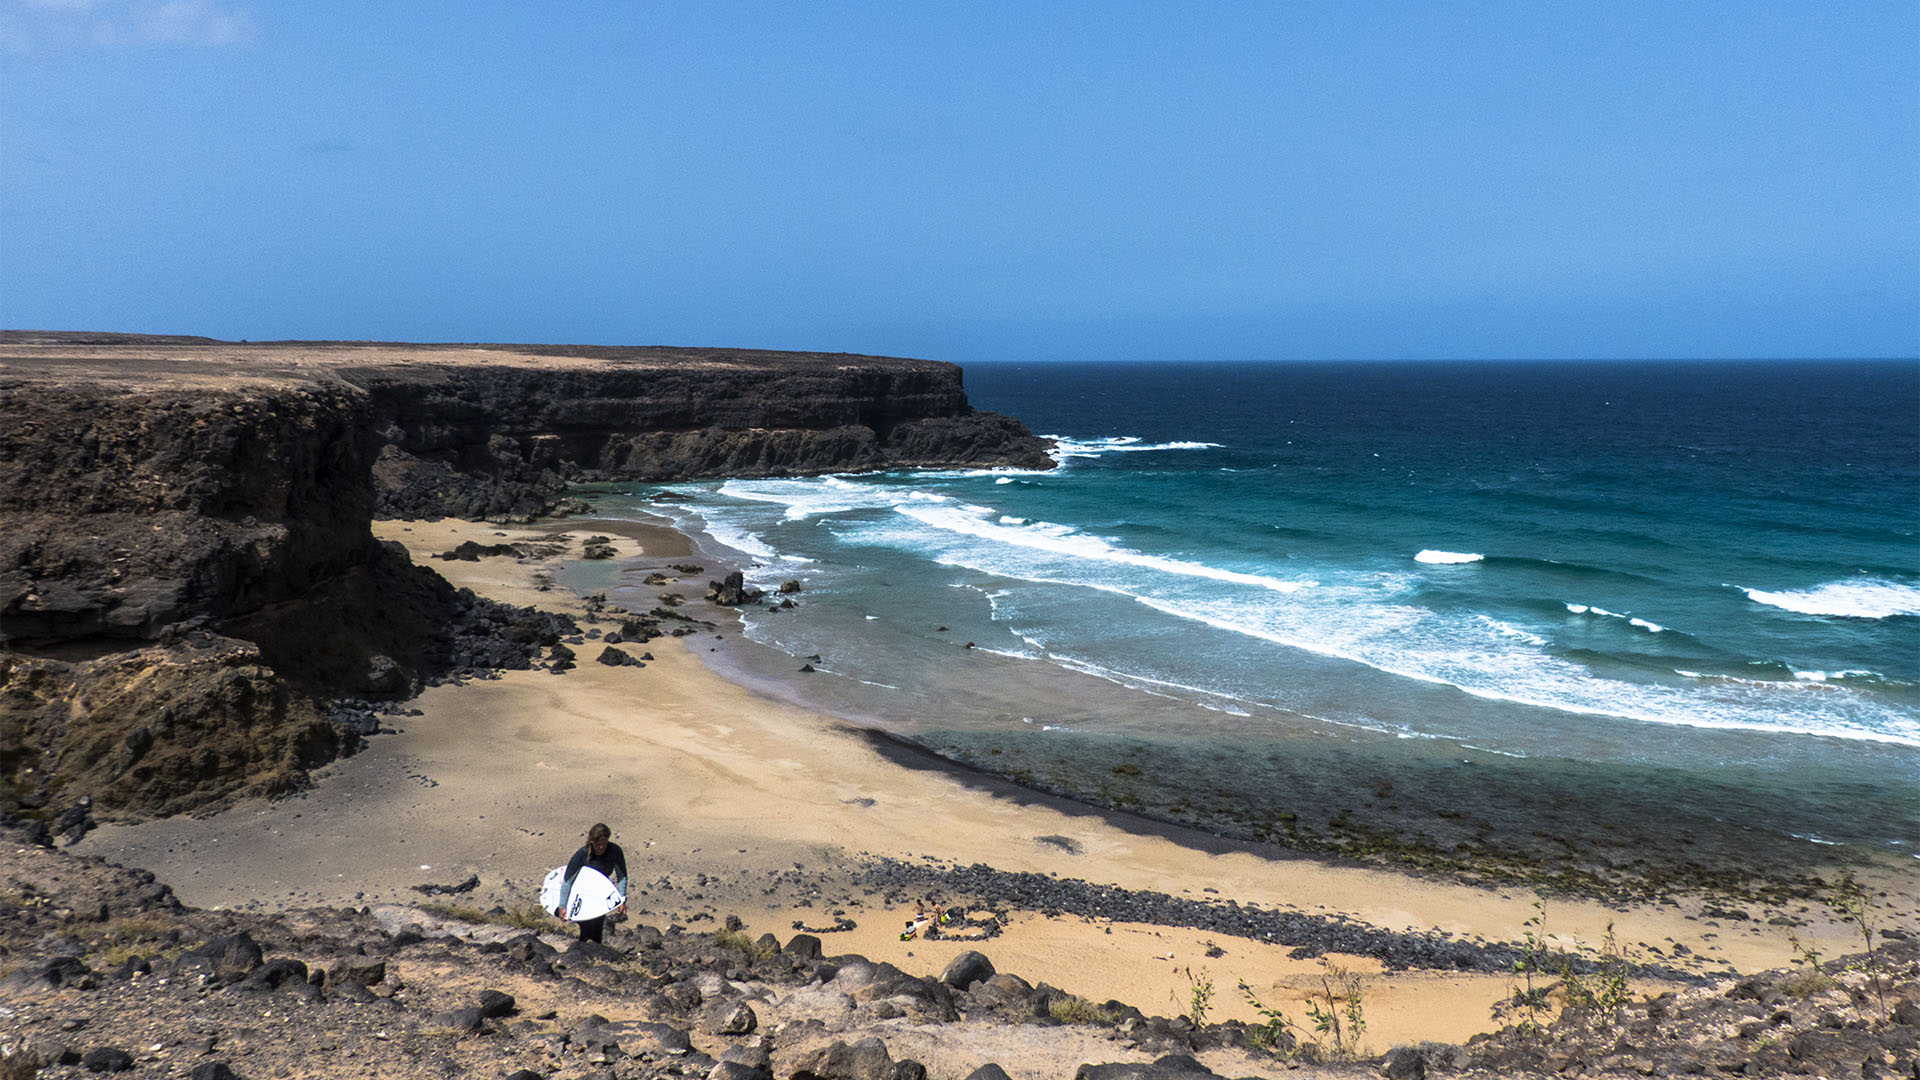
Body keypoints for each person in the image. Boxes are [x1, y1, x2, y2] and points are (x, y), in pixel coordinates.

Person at [553, 822, 628, 943]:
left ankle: (593, 955)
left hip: (600, 893)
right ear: (592, 842)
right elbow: (567, 881)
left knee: (598, 927)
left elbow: (622, 876)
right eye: (598, 844)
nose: (602, 847)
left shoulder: (615, 851)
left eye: (604, 843)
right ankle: (582, 954)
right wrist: (562, 906)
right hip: (581, 894)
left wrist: (622, 899)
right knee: (587, 928)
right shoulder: (581, 855)